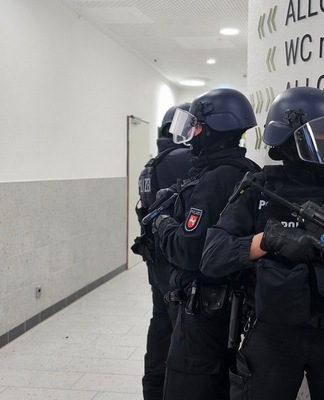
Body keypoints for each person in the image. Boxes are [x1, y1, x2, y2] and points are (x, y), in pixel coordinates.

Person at [201, 86, 324, 400]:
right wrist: (268, 239)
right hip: (272, 335)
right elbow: (213, 257)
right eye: (321, 135)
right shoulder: (258, 190)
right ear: (289, 138)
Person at [152, 88, 260, 400]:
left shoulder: (215, 178)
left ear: (215, 130)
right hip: (230, 307)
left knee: (186, 386)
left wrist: (162, 223)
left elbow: (189, 252)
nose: (191, 134)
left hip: (203, 310)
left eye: (196, 126)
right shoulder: (248, 171)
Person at [131, 103, 193, 400]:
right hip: (175, 261)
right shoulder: (182, 159)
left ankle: (153, 390)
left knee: (160, 324)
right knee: (182, 331)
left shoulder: (151, 164)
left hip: (156, 262)